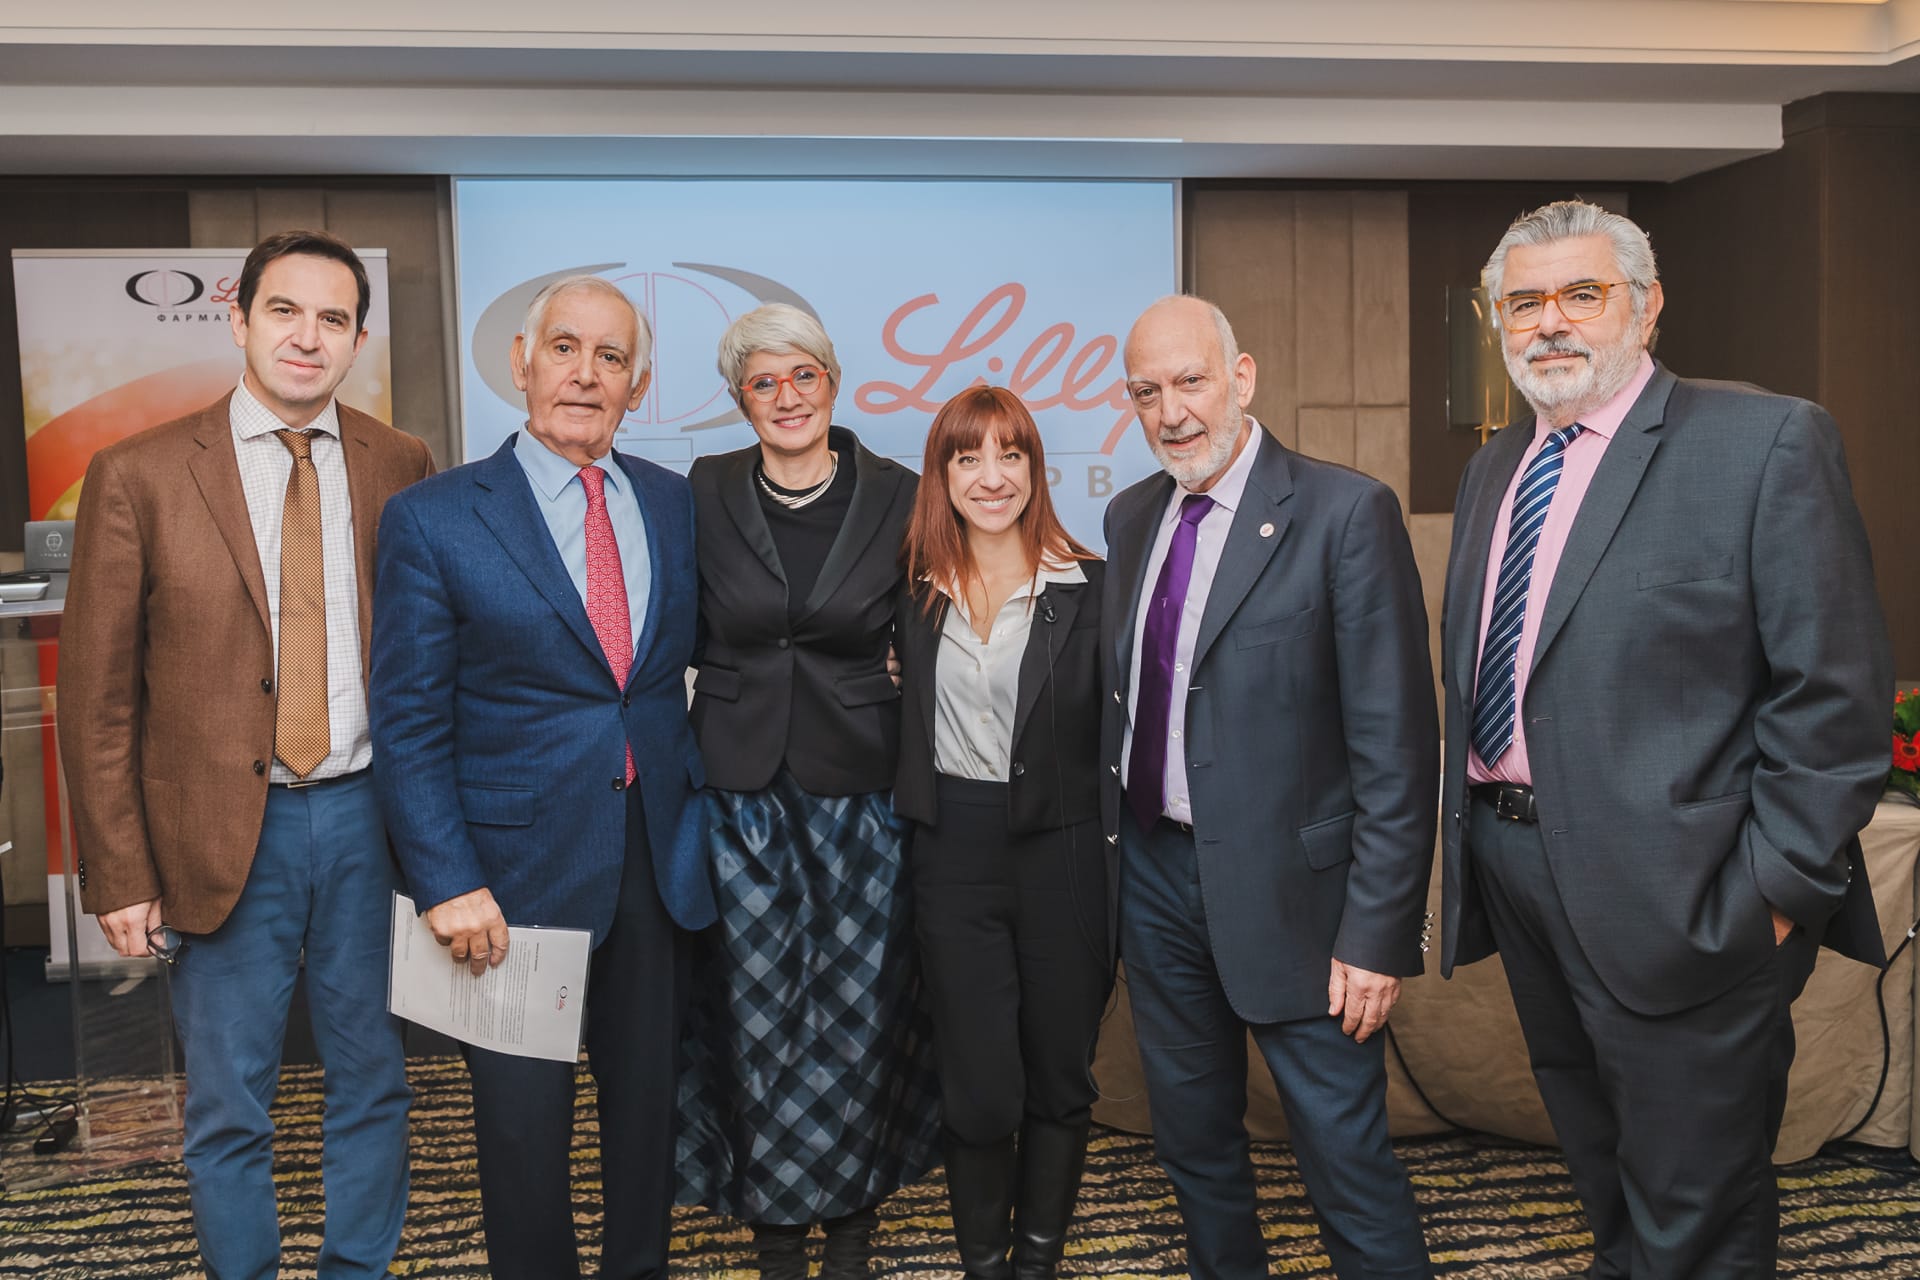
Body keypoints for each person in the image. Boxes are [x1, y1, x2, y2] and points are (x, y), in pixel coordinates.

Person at [1438, 200, 1891, 1277]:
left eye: (1581, 293)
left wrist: (1774, 892)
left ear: (1645, 309)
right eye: (1524, 302)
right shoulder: (1497, 469)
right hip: (1517, 866)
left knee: (1699, 1204)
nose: (1551, 321)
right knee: (1602, 1168)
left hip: (1692, 895)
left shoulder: (1763, 441)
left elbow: (1834, 694)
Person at [59, 229, 433, 1278]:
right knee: (228, 1102)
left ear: (358, 339)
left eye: (332, 318)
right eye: (284, 311)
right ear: (237, 319)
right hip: (221, 832)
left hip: (368, 821)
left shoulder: (401, 463)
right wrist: (119, 869)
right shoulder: (137, 473)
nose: (307, 337)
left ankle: (357, 1267)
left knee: (376, 1083)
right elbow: (96, 696)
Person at [370, 274, 714, 1280]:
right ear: (521, 363)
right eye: (565, 348)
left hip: (655, 863)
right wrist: (445, 878)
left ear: (637, 384)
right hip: (507, 884)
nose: (585, 374)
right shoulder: (433, 518)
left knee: (649, 1116)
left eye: (612, 357)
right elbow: (408, 718)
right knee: (522, 1135)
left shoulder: (674, 503)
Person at [1102, 295, 1438, 1280]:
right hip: (1155, 878)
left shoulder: (1345, 513)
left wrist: (1377, 933)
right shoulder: (1131, 515)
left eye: (1191, 381)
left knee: (1346, 1165)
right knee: (1195, 1148)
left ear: (1241, 378)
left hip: (1301, 903)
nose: (1171, 412)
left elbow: (1397, 744)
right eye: (1147, 392)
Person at [674, 302, 938, 1280]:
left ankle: (853, 1230)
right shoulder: (700, 491)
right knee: (755, 1019)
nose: (786, 396)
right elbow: (668, 627)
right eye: (763, 381)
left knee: (862, 1017)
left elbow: (934, 636)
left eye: (803, 376)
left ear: (832, 382)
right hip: (736, 793)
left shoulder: (904, 495)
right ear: (740, 398)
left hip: (863, 791)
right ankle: (778, 1235)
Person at [894, 387, 1112, 1280]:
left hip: (1066, 852)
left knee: (1060, 1074)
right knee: (979, 1085)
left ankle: (1036, 1263)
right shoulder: (912, 593)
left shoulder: (1092, 588)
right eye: (969, 457)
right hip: (953, 850)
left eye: (1010, 455)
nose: (992, 477)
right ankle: (985, 1264)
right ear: (942, 475)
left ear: (1035, 468)